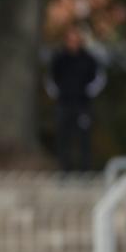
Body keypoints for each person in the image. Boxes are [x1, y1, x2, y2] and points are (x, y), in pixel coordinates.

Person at [46, 25, 106, 172]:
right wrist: (58, 93)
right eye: (70, 40)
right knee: (63, 138)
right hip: (64, 103)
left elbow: (99, 79)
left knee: (84, 139)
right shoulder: (59, 59)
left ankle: (84, 172)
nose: (73, 43)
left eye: (76, 40)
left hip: (83, 104)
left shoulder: (89, 59)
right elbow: (50, 79)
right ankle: (64, 171)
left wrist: (87, 93)